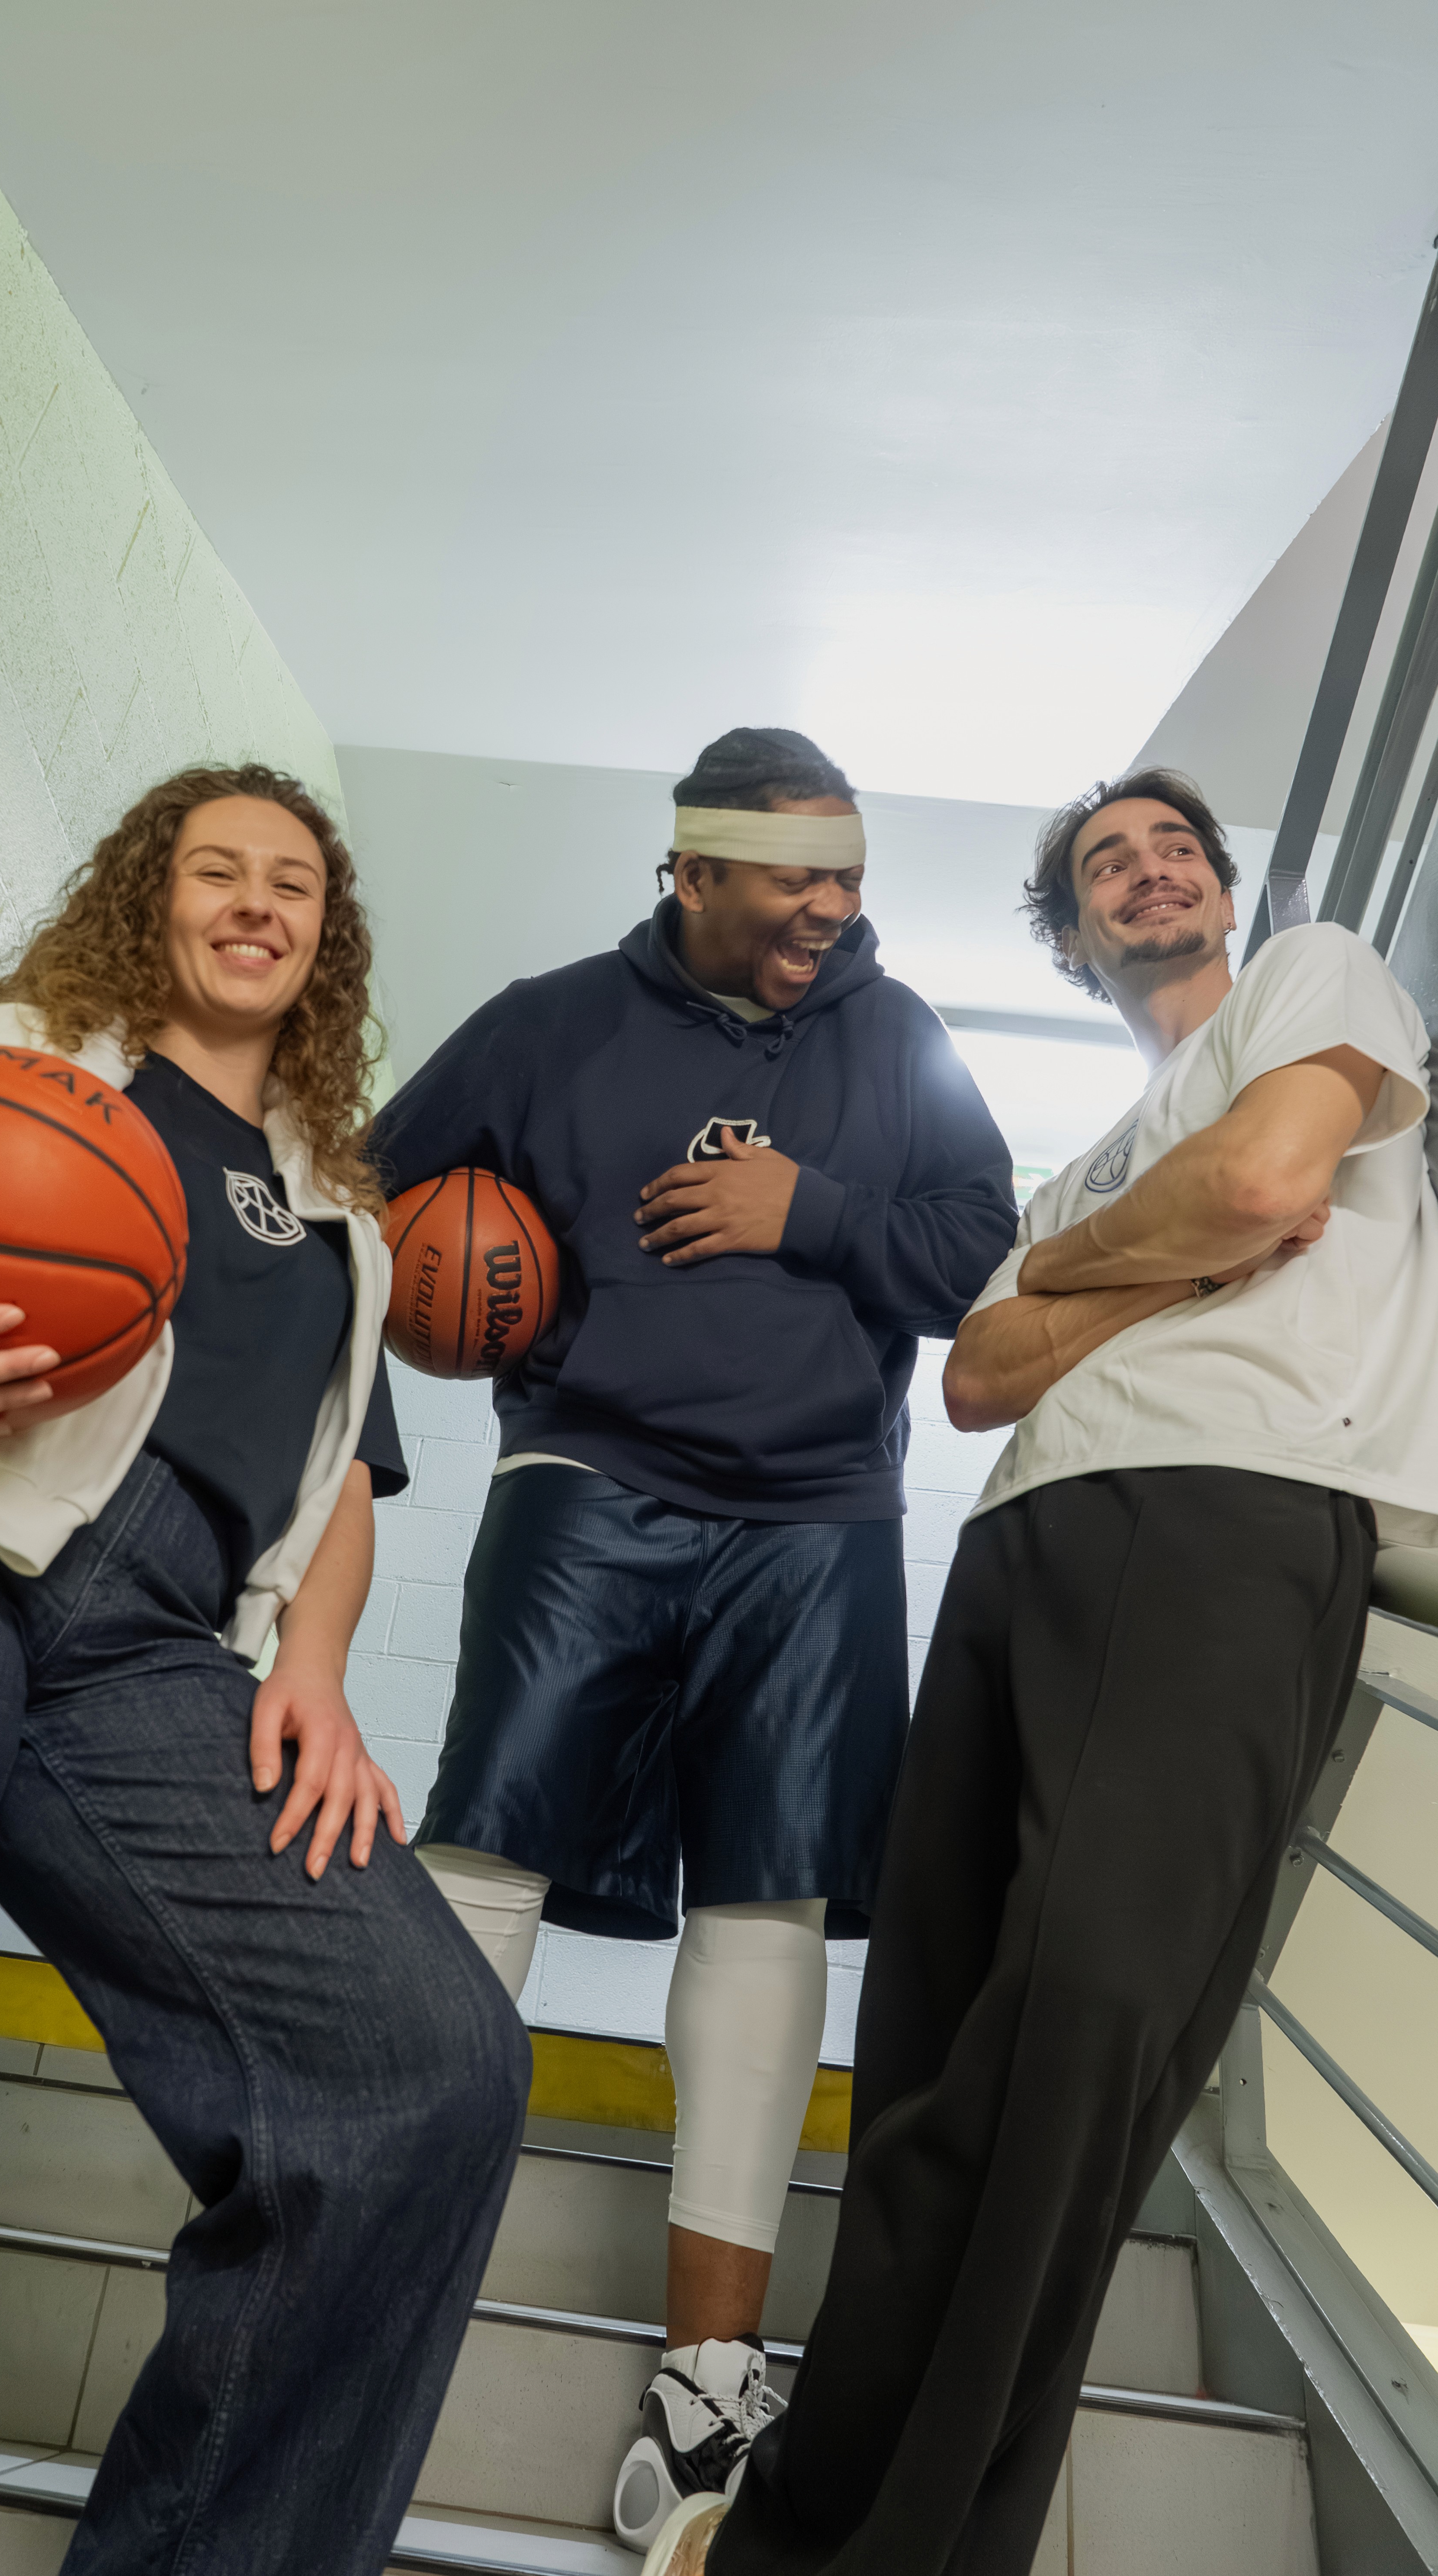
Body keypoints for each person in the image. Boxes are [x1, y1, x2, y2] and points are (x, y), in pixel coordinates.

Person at [644, 766, 1438, 2576]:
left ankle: (896, 2548)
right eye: (1102, 865)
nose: (1143, 870)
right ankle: (788, 2531)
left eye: (1170, 846)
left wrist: (1111, 1264)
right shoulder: (1085, 1148)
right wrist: (1138, 1246)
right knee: (926, 2062)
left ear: (1219, 891)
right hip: (1017, 1545)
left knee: (1077, 2034)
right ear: (1071, 936)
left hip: (1235, 1516)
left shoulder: (1308, 980)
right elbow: (979, 1371)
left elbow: (1257, 1178)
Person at [0, 766, 529, 2576]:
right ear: (146, 898)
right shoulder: (2, 1066)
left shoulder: (343, 1224)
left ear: (325, 939)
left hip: (152, 1648)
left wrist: (311, 1664)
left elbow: (351, 1488)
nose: (254, 899)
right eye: (214, 867)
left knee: (429, 2062)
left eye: (291, 882)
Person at [371, 725, 1017, 2550]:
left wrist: (803, 1211)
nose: (831, 906)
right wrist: (424, 1340)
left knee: (769, 1897)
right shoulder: (544, 1021)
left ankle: (710, 2372)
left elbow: (982, 1252)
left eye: (849, 873)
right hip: (588, 1472)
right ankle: (373, 2224)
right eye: (793, 876)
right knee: (484, 1839)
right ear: (694, 870)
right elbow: (366, 1206)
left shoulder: (897, 1041)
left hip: (814, 1515)